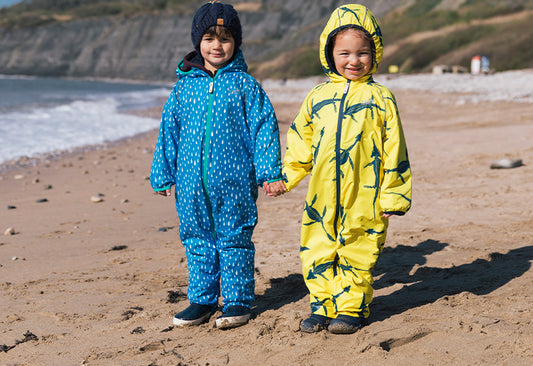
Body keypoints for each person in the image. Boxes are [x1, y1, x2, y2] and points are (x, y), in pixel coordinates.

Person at [150, 0, 284, 330]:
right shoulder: (183, 89)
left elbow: (264, 128)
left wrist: (269, 173)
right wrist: (163, 173)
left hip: (235, 183)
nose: (217, 45)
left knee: (234, 239)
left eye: (225, 38)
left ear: (235, 43)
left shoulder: (245, 86)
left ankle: (238, 300)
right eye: (209, 38)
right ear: (198, 42)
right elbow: (169, 131)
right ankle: (202, 299)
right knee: (196, 238)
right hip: (191, 185)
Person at [278, 4, 412, 334]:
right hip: (322, 192)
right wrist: (285, 178)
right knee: (317, 245)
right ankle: (322, 305)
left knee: (359, 248)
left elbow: (396, 148)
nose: (354, 61)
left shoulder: (381, 98)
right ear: (330, 53)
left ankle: (352, 308)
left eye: (363, 53)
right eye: (345, 53)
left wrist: (393, 195)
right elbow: (300, 140)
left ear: (375, 53)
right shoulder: (317, 96)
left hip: (366, 193)